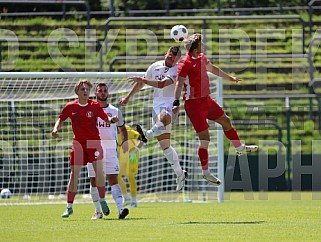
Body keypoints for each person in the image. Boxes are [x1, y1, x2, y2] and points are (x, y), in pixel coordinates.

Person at [172, 33, 258, 185]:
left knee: (226, 121)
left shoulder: (202, 58)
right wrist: (176, 102)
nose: (203, 46)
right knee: (205, 138)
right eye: (201, 44)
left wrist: (230, 77)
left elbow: (214, 69)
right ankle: (206, 173)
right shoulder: (184, 63)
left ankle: (239, 148)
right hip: (194, 105)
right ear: (195, 48)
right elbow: (179, 83)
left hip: (207, 101)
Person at [120, 46, 187, 191]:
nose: (172, 60)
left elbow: (162, 84)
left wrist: (143, 79)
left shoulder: (177, 70)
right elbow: (141, 83)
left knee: (163, 117)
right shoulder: (154, 66)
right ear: (166, 54)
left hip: (171, 104)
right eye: (170, 57)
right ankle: (180, 174)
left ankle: (147, 134)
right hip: (156, 107)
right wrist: (128, 97)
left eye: (175, 59)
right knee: (166, 147)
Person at [51, 79, 117, 218]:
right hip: (79, 144)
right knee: (74, 175)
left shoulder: (94, 106)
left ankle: (103, 200)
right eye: (82, 89)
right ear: (77, 92)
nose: (85, 91)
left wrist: (112, 120)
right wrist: (55, 129)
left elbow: (106, 119)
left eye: (87, 89)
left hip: (94, 143)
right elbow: (61, 119)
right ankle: (69, 207)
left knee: (99, 172)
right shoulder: (70, 107)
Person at [87, 83, 129, 220]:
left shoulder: (115, 110)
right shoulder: (90, 110)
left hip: (111, 148)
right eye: (100, 91)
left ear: (108, 93)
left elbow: (122, 129)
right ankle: (98, 212)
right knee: (94, 181)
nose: (103, 93)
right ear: (96, 93)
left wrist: (125, 141)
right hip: (93, 147)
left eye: (105, 91)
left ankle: (121, 210)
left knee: (113, 179)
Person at [117, 124, 144, 208]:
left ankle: (134, 200)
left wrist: (135, 150)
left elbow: (143, 139)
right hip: (121, 155)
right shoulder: (112, 132)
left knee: (130, 176)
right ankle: (126, 197)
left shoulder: (128, 131)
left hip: (133, 155)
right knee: (116, 176)